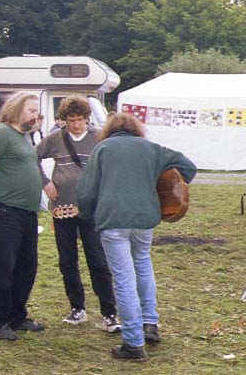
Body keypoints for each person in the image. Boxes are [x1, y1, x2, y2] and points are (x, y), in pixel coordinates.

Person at [76, 112, 197, 362]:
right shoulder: (152, 148)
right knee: (142, 265)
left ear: (110, 130)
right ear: (136, 130)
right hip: (145, 219)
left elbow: (86, 191)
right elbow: (189, 168)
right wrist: (162, 186)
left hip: (113, 221)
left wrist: (87, 214)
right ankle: (150, 324)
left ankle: (133, 343)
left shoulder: (103, 149)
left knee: (124, 280)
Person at [35, 96, 120, 333]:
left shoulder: (99, 137)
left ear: (87, 119)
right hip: (62, 206)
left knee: (98, 260)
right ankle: (77, 308)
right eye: (71, 120)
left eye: (80, 120)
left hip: (91, 208)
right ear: (64, 119)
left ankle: (109, 313)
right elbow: (33, 156)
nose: (75, 125)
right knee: (67, 260)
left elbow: (112, 165)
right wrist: (44, 182)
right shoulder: (55, 138)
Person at [0, 91, 44, 341]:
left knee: (26, 268)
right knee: (3, 268)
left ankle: (17, 316)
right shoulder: (1, 133)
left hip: (27, 213)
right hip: (4, 211)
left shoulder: (23, 136)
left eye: (36, 110)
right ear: (16, 109)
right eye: (31, 110)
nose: (36, 115)